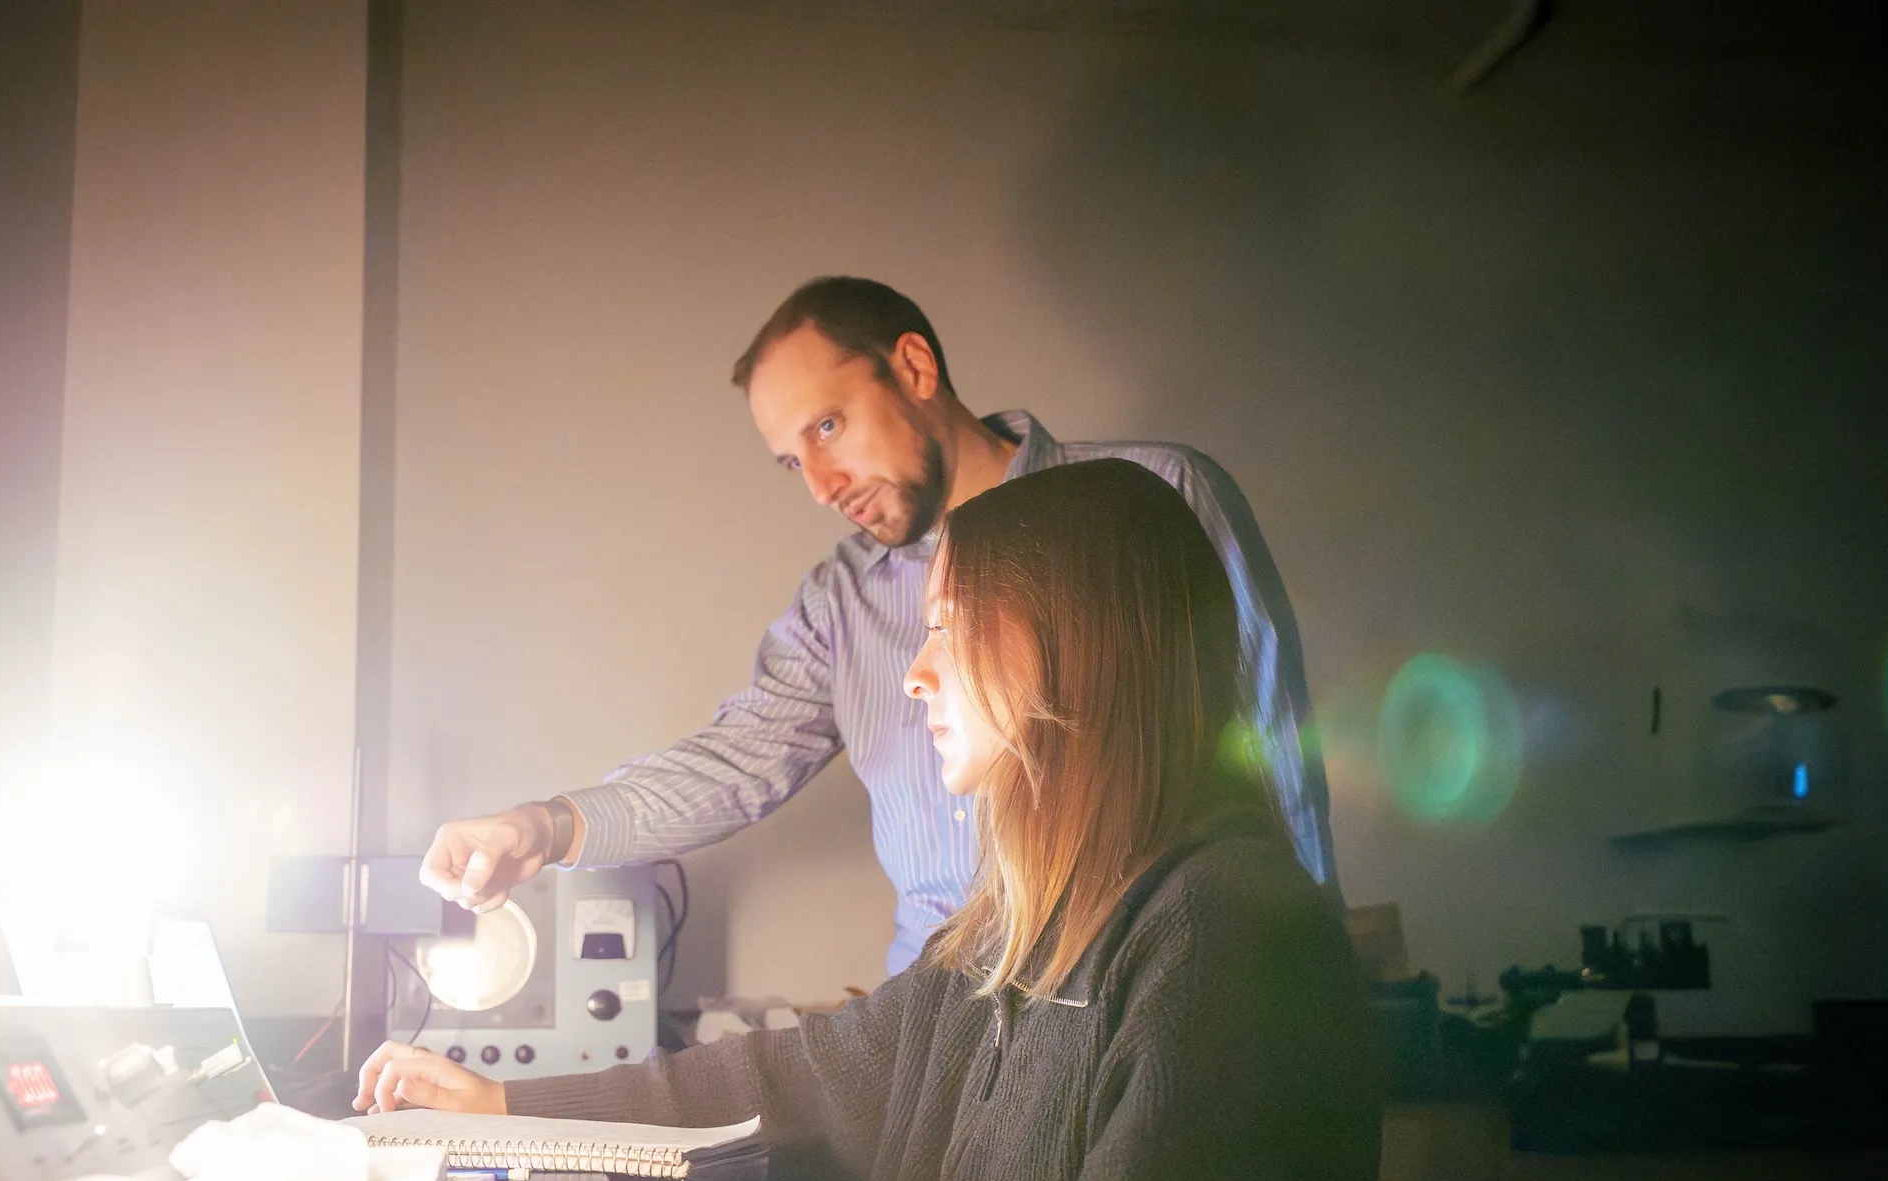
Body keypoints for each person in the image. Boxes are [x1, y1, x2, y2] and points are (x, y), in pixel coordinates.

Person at [359, 461, 1442, 1181]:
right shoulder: (1007, 937)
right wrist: (506, 1109)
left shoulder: (1225, 941)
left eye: (950, 627)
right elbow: (807, 1073)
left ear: (1078, 641)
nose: (916, 674)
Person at [415, 276, 1335, 974]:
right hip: (930, 1030)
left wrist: (1302, 986)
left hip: (1136, 997)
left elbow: (1267, 748)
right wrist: (542, 828)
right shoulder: (838, 604)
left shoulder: (1156, 497)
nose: (820, 485)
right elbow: (735, 762)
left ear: (916, 368)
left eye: (826, 427)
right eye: (790, 462)